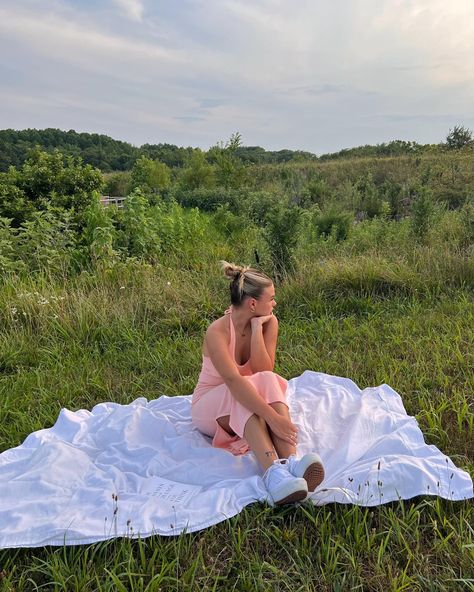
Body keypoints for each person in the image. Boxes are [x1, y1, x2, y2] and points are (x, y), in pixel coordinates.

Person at [191, 261, 325, 505]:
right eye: (271, 298)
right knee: (240, 391)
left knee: (266, 379)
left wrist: (256, 330)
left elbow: (264, 370)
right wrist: (273, 418)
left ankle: (291, 462)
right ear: (253, 303)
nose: (275, 304)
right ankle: (272, 473)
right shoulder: (217, 332)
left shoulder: (269, 323)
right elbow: (233, 382)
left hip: (244, 396)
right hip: (209, 408)